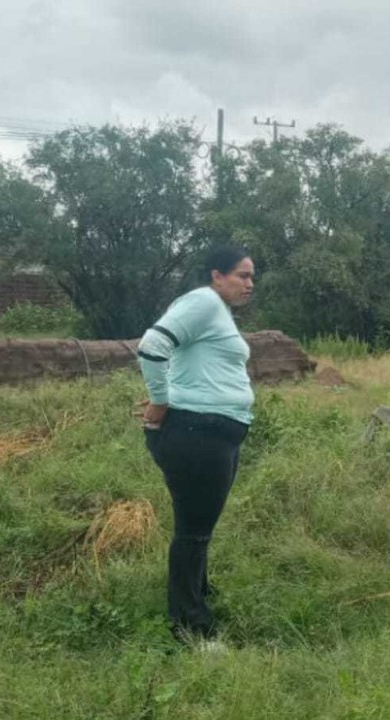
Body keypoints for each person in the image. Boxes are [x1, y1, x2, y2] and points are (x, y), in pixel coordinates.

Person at [136, 246, 256, 643]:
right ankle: (191, 627)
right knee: (193, 531)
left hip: (212, 432)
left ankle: (198, 596)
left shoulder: (215, 313)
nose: (249, 284)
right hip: (196, 433)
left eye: (252, 277)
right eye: (241, 275)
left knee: (200, 527)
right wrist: (160, 398)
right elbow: (153, 345)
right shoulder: (204, 302)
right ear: (216, 276)